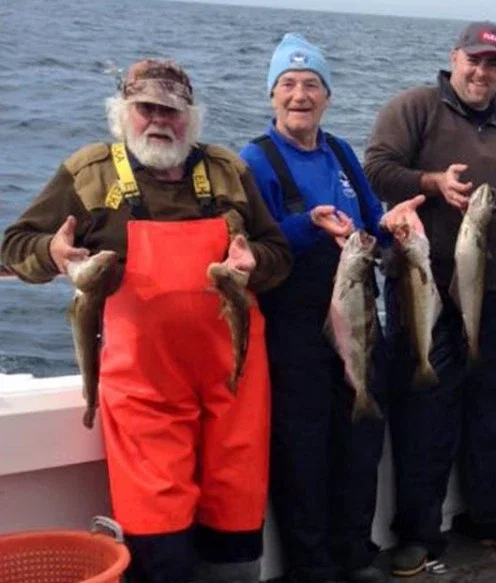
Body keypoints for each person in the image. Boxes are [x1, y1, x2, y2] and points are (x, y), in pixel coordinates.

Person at [0, 59, 293, 582]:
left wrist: (255, 263)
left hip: (234, 383)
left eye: (172, 111)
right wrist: (54, 253)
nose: (159, 120)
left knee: (236, 527)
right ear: (123, 112)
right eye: (146, 108)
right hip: (145, 390)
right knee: (158, 537)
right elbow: (13, 246)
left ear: (191, 117)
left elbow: (278, 254)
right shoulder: (90, 174)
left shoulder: (228, 171)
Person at [239, 33, 424, 583]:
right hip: (295, 331)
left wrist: (392, 227)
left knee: (360, 443)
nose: (300, 95)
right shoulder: (255, 161)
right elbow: (253, 248)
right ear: (272, 95)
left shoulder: (342, 153)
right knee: (303, 452)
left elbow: (372, 225)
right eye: (288, 84)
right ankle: (312, 565)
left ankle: (355, 551)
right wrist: (306, 226)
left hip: (360, 315)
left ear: (328, 96)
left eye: (311, 85)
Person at [364, 20, 496, 578]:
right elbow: (376, 171)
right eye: (474, 60)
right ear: (454, 58)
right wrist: (433, 182)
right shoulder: (416, 107)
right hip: (426, 287)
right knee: (426, 415)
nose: (482, 72)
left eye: (493, 63)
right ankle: (418, 534)